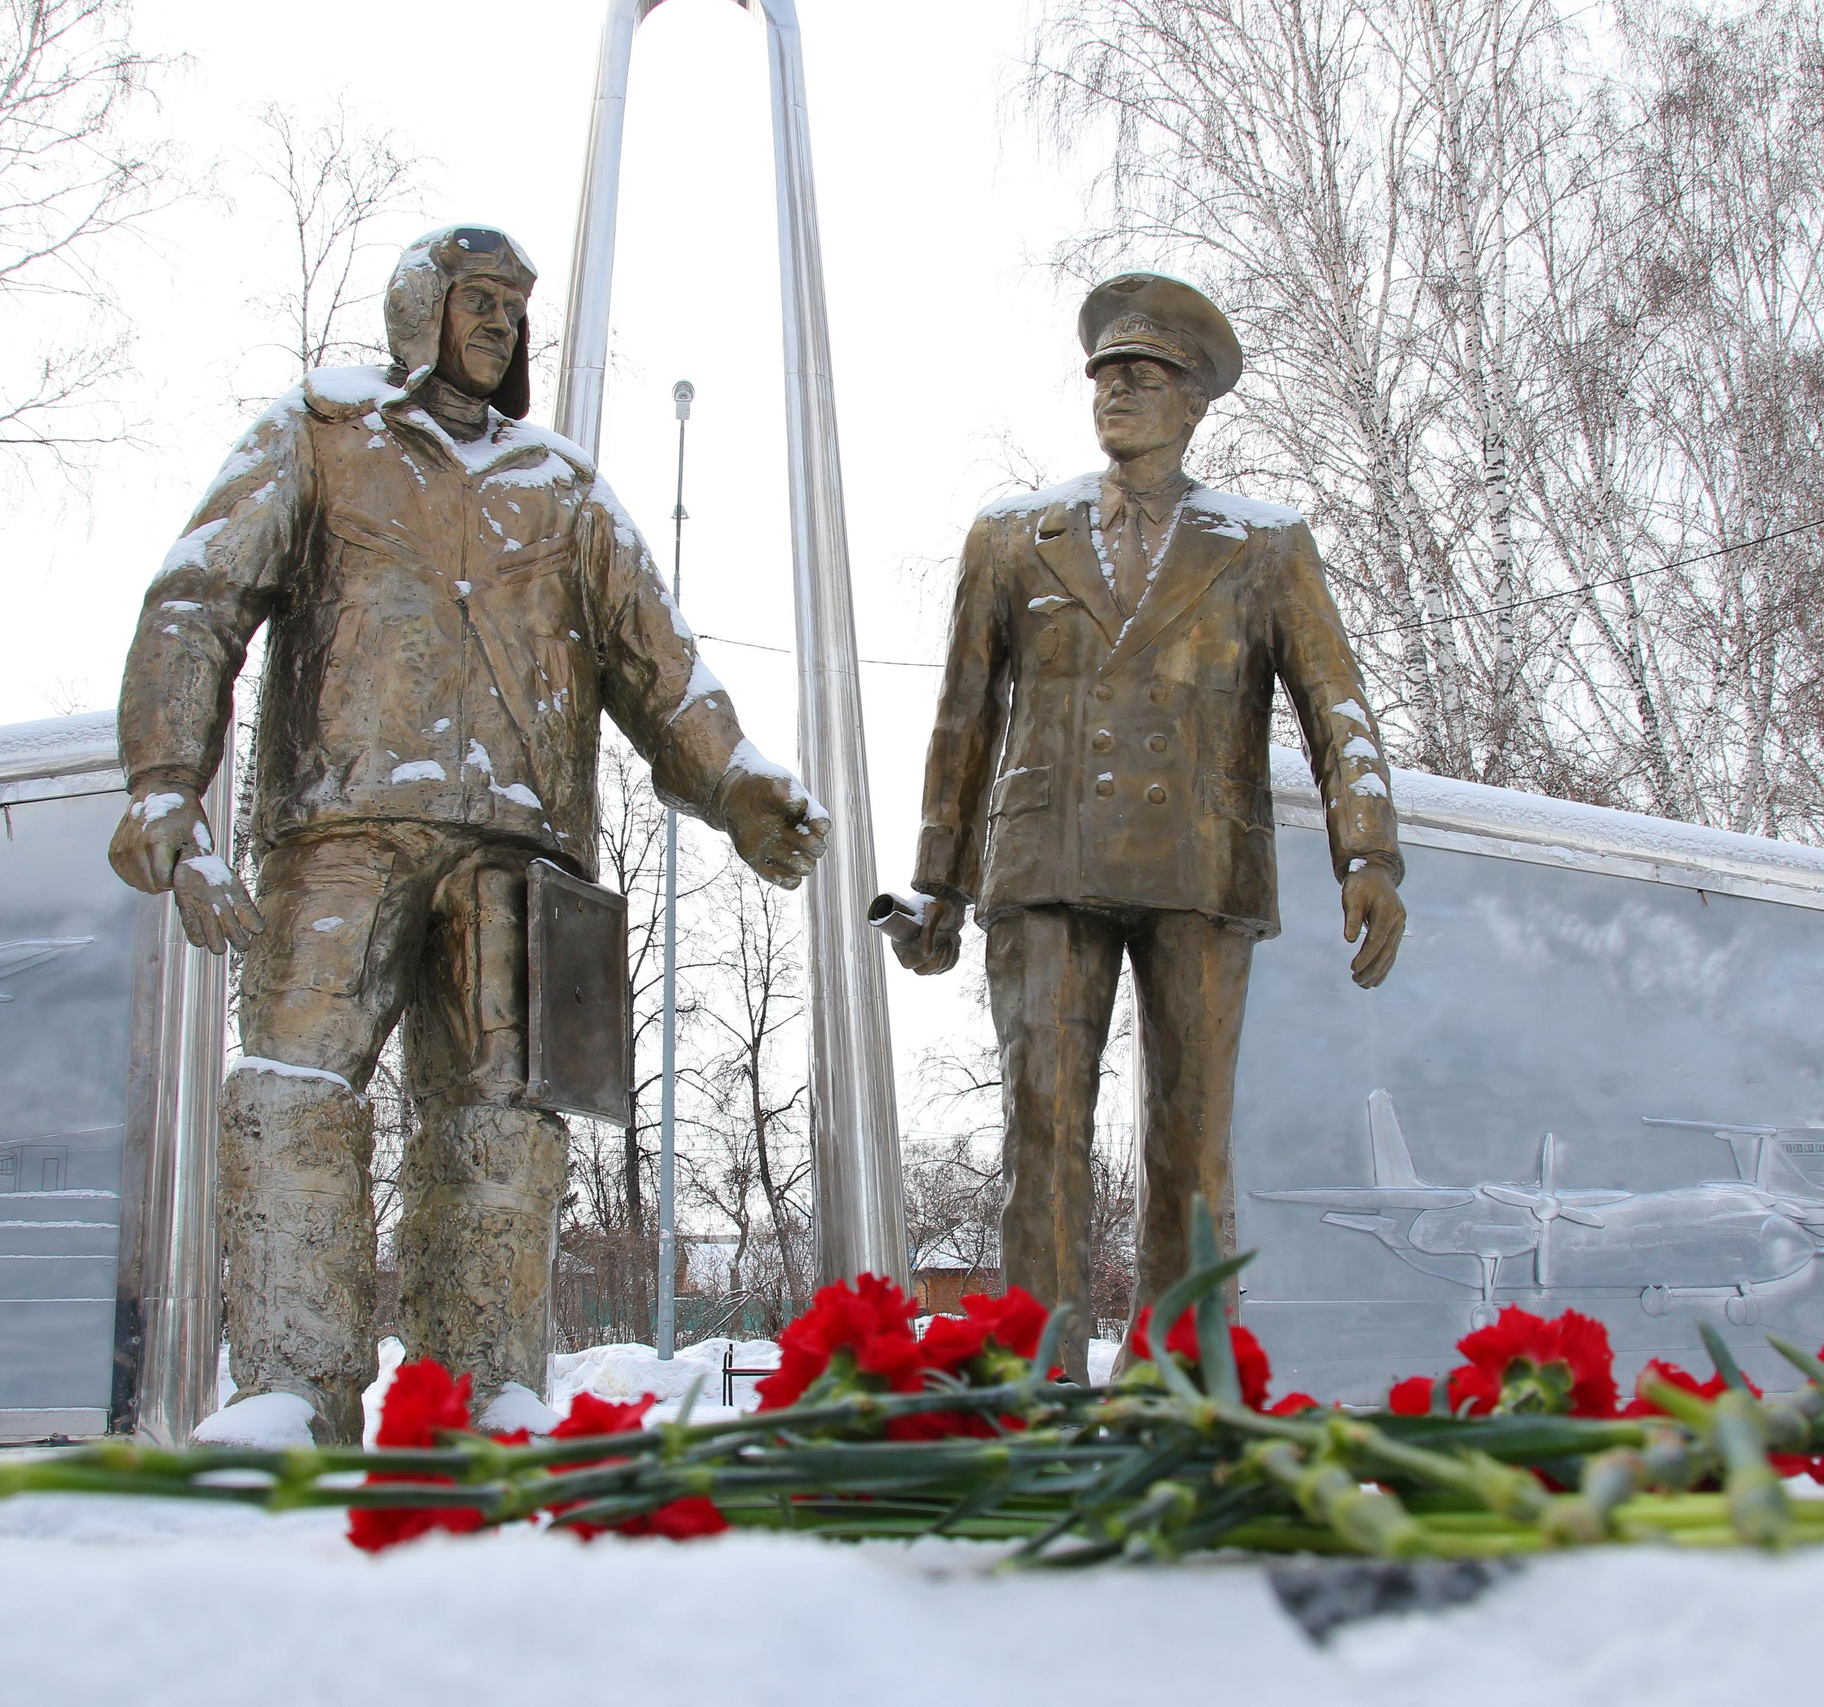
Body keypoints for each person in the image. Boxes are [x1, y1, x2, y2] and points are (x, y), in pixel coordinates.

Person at [108, 224, 827, 1442]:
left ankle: (481, 1385)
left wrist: (736, 783)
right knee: (294, 1085)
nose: (495, 322)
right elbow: (201, 594)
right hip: (341, 818)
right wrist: (166, 774)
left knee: (503, 1116)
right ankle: (293, 1386)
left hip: (518, 843)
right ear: (417, 308)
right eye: (474, 299)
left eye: (510, 306)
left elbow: (664, 669)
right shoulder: (322, 433)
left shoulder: (564, 487)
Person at [891, 273, 1406, 1376]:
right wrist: (938, 882)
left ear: (1195, 403)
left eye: (1146, 376)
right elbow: (961, 723)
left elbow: (1337, 705)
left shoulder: (1264, 544)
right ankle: (1043, 1372)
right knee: (1043, 1139)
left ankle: (1175, 1375)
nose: (1119, 391)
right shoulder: (1011, 535)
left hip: (1202, 865)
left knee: (1190, 1144)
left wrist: (1367, 850)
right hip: (1043, 862)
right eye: (1106, 375)